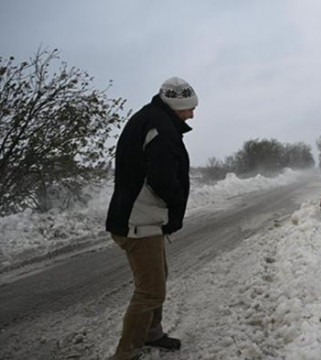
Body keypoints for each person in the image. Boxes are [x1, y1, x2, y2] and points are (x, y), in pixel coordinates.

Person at [106, 76, 197, 360]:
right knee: (150, 291)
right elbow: (162, 179)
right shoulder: (161, 129)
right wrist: (176, 202)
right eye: (188, 109)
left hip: (142, 218)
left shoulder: (151, 120)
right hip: (138, 221)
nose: (192, 114)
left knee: (157, 281)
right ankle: (126, 353)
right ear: (175, 105)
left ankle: (152, 333)